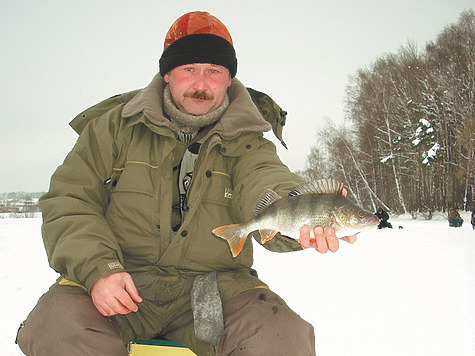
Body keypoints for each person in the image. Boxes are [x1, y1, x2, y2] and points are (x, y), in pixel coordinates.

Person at [16, 11, 357, 356]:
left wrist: (300, 209)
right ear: (167, 74)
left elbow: (267, 179)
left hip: (215, 289)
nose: (201, 83)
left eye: (214, 71)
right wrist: (99, 269)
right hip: (121, 280)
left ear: (229, 79)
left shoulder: (250, 142)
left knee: (283, 338)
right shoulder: (112, 128)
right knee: (55, 327)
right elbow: (69, 200)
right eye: (189, 69)